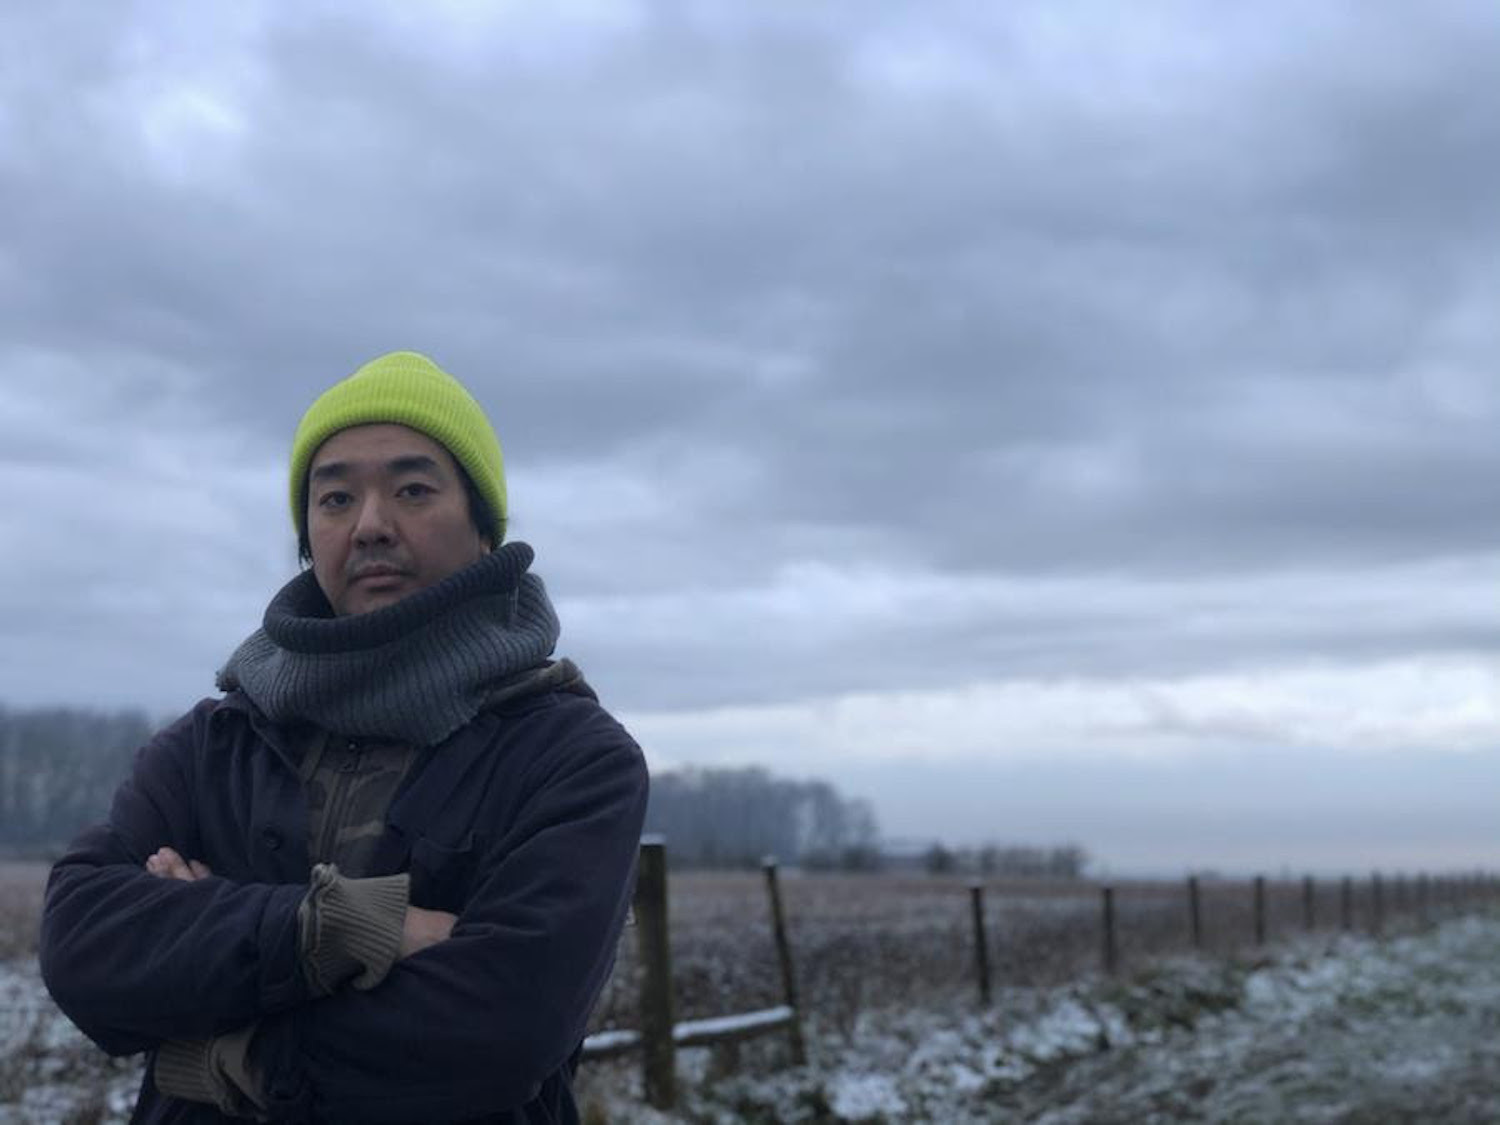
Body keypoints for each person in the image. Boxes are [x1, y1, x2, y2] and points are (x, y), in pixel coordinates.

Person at [39, 351, 649, 1123]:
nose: (369, 525)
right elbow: (83, 943)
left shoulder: (573, 759)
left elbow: (501, 1028)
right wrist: (345, 927)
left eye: (413, 489)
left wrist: (234, 1057)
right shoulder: (214, 743)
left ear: (484, 528)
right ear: (307, 534)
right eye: (335, 497)